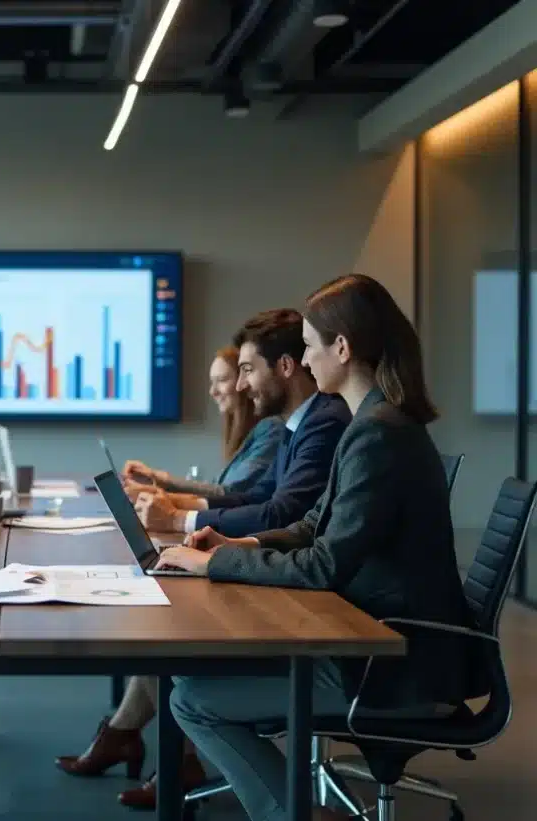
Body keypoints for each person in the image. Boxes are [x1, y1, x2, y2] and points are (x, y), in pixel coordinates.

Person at [154, 274, 480, 821]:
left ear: (342, 348)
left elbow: (325, 564)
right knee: (190, 680)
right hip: (376, 637)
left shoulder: (379, 431)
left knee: (191, 700)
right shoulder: (372, 423)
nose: (304, 361)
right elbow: (313, 523)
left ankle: (292, 814)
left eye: (309, 346)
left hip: (389, 662)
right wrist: (238, 541)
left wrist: (215, 563)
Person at [56, 344, 286, 808]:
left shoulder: (277, 430)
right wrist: (171, 498)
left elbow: (249, 502)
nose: (227, 387)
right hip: (252, 560)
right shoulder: (259, 433)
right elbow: (244, 498)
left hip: (276, 588)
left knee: (171, 631)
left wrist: (176, 510)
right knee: (162, 619)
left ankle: (131, 741)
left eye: (234, 375)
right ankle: (129, 738)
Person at [134, 308, 350, 538]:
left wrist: (177, 519)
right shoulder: (299, 422)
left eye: (248, 370)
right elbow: (256, 496)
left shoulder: (325, 422)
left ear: (285, 366)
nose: (240, 386)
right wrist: (176, 502)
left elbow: (281, 515)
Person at [123, 344, 285, 505]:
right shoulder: (248, 435)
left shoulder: (271, 429)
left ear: (244, 381)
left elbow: (230, 494)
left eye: (221, 380)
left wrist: (158, 486)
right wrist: (155, 478)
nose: (212, 391)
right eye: (212, 382)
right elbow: (217, 488)